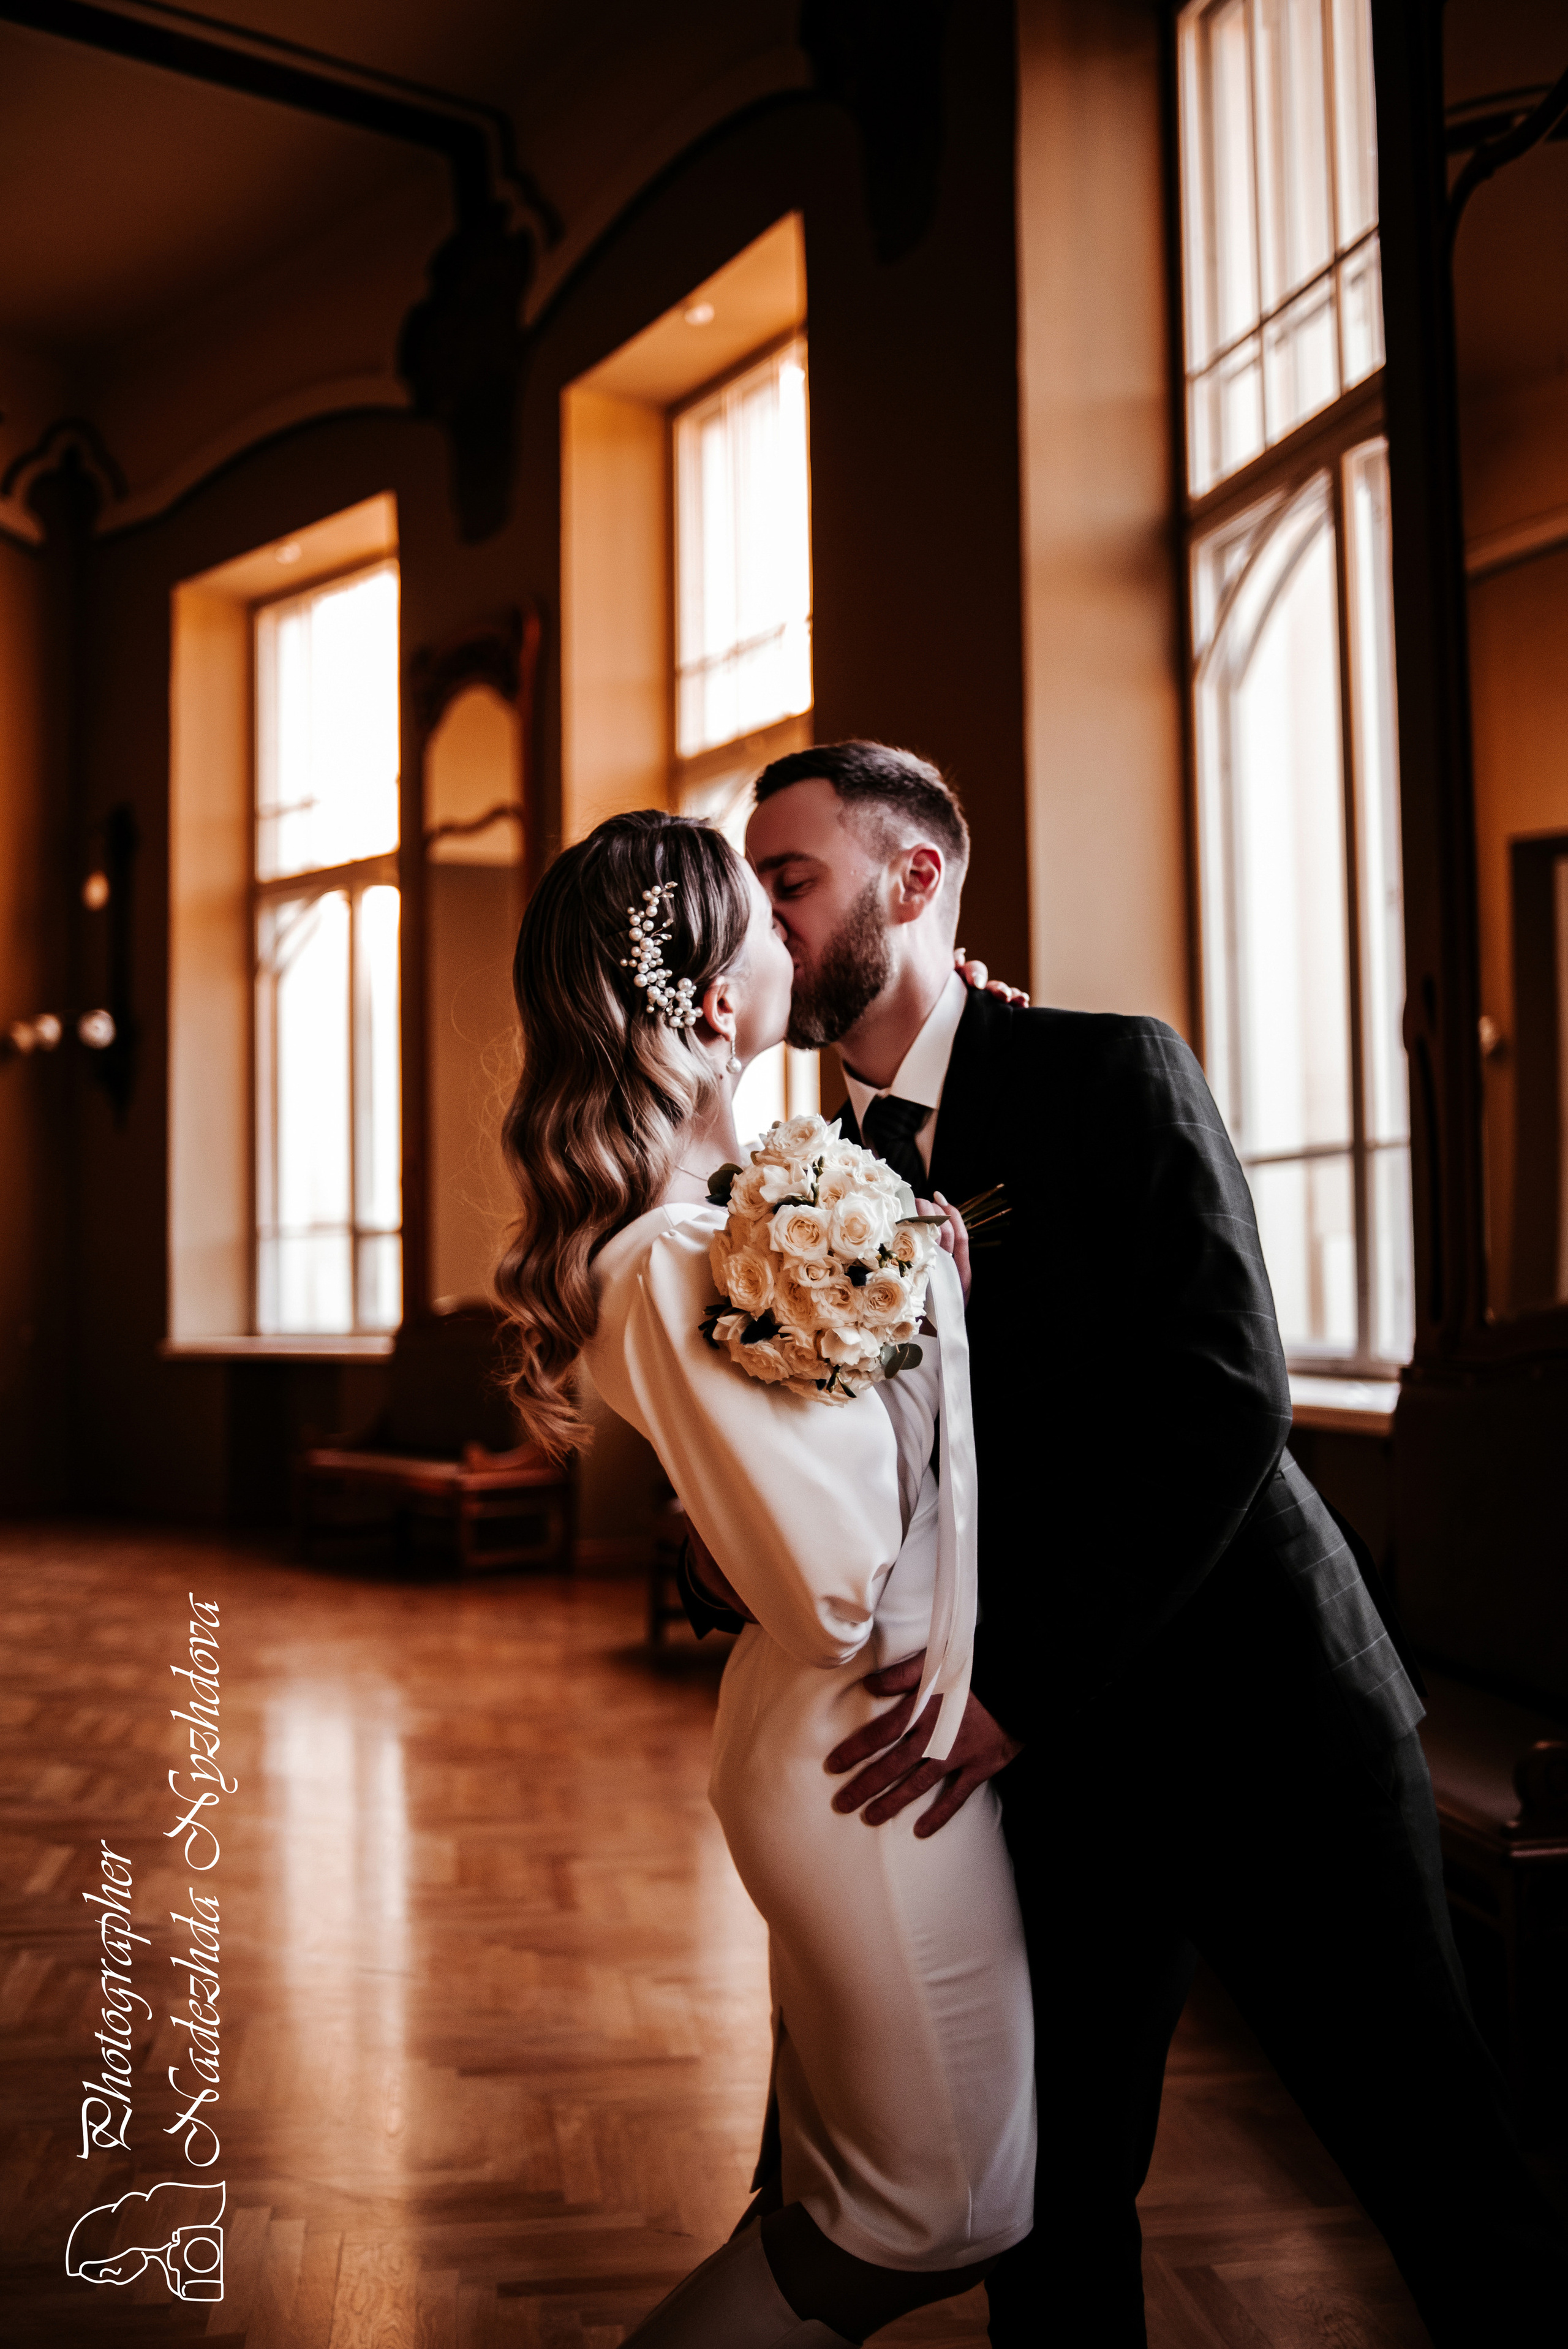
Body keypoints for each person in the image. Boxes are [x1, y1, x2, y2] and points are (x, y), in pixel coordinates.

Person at [731, 738, 1568, 2348]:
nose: (767, 920)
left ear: (917, 880)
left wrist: (1013, 1684)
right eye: (753, 886)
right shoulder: (813, 1186)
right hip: (1050, 1791)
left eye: (793, 878)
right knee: (1054, 2216)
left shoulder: (1108, 1072)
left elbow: (1226, 1398)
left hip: (1272, 1732)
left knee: (1446, 2183)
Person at [495, 809, 1036, 2348]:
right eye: (762, 914)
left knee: (882, 2196)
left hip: (859, 1741)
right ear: (712, 997)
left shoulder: (740, 1228)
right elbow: (830, 1587)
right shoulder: (682, 1263)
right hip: (862, 1752)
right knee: (930, 2214)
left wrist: (902, 1265)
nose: (790, 941)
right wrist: (917, 1306)